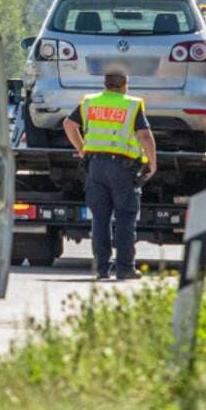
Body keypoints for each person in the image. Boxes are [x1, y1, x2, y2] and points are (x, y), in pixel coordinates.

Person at [63, 69, 158, 281]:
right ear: (125, 85)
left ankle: (101, 269)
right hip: (123, 169)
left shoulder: (90, 102)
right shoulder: (131, 105)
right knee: (125, 217)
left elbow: (69, 124)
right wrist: (152, 162)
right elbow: (144, 135)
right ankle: (125, 269)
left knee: (100, 218)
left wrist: (82, 148)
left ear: (105, 85)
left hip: (95, 167)